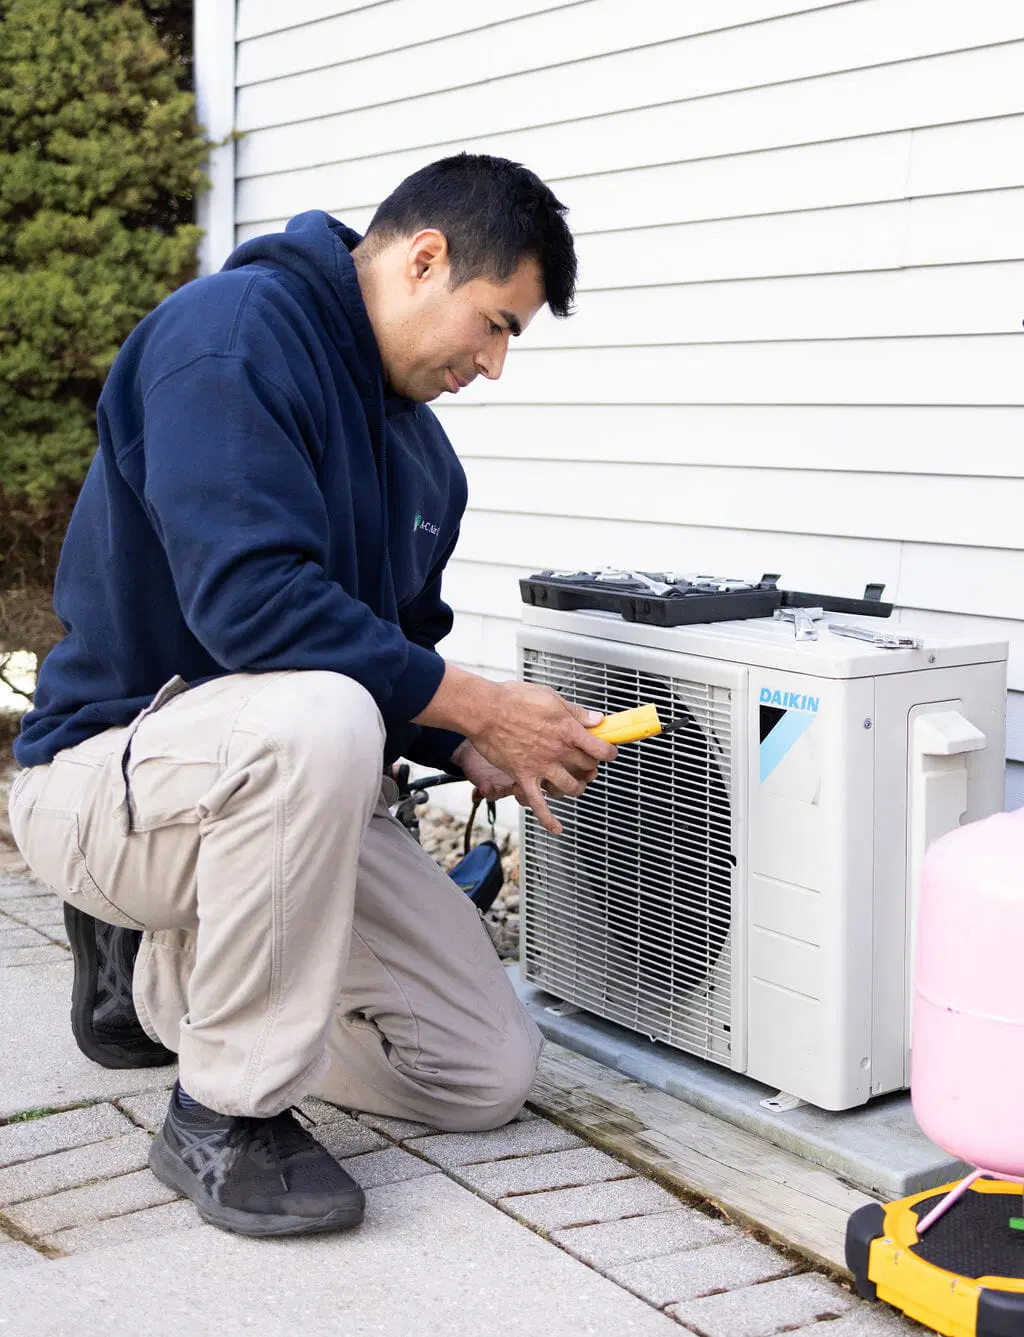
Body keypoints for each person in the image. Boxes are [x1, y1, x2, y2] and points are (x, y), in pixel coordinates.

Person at [7, 154, 616, 1239]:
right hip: (105, 778)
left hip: (281, 793)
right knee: (321, 710)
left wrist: (462, 736)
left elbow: (399, 654)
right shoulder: (230, 339)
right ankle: (223, 1111)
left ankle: (166, 986)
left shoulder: (429, 465)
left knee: (484, 1070)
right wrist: (476, 702)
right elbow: (254, 606)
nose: (494, 362)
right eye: (495, 323)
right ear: (424, 258)